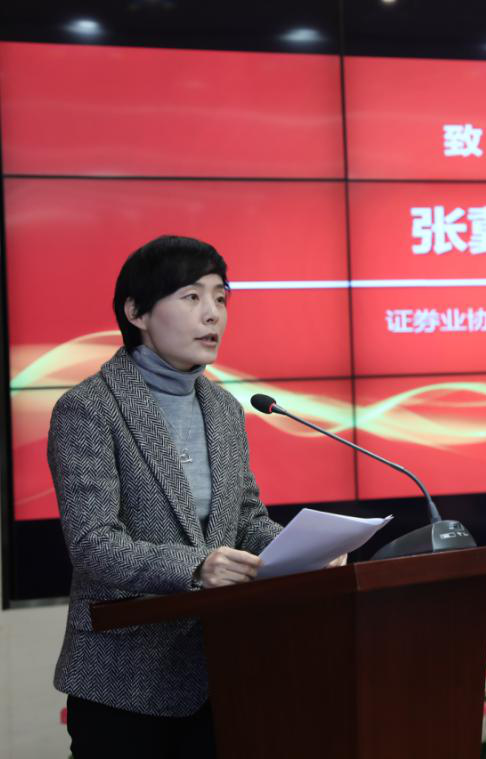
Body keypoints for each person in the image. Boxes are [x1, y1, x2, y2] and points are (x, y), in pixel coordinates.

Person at [47, 235, 342, 758]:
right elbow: (94, 544)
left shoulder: (223, 408)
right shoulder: (89, 408)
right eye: (192, 297)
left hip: (221, 674)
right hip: (124, 685)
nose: (213, 315)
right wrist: (197, 567)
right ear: (136, 312)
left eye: (221, 298)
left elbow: (245, 520)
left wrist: (305, 550)